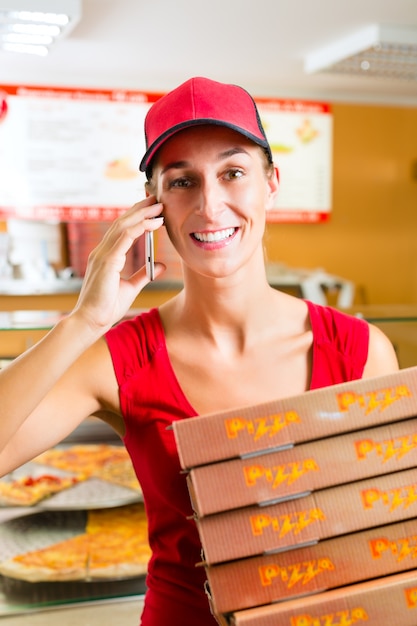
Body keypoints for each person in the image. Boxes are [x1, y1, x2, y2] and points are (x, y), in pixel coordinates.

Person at [0, 77, 399, 625]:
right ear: (153, 204)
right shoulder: (119, 356)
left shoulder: (359, 352)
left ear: (271, 184)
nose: (210, 205)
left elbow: (387, 534)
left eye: (233, 173)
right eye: (182, 181)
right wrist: (85, 320)